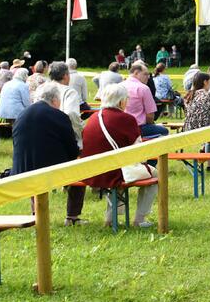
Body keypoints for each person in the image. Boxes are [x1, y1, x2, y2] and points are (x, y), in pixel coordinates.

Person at [81, 84, 158, 228]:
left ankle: (111, 219)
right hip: (113, 172)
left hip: (91, 171)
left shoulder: (92, 118)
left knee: (119, 167)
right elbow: (138, 152)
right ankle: (139, 219)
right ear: (121, 101)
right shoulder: (127, 119)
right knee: (155, 174)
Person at [11, 85, 87, 225]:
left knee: (34, 166)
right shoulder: (59, 116)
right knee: (80, 173)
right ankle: (72, 217)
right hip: (48, 170)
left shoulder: (22, 114)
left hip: (21, 169)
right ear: (54, 100)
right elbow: (72, 147)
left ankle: (36, 214)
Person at [124, 62, 167, 139]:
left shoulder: (120, 86)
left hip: (122, 127)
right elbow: (150, 116)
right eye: (145, 74)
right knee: (164, 131)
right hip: (139, 128)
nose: (148, 77)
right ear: (136, 73)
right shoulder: (143, 88)